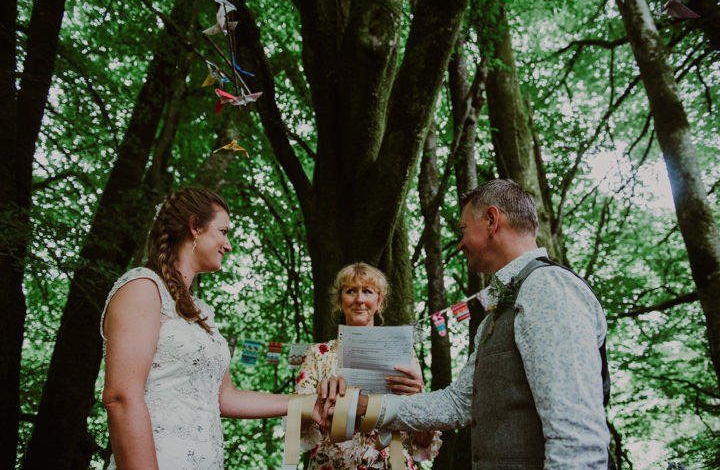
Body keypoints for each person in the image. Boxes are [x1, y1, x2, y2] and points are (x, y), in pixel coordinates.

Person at [319, 179, 611, 469]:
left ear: (491, 220)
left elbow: (577, 436)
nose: (460, 242)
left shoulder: (548, 288)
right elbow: (457, 403)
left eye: (463, 229)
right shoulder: (495, 317)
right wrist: (365, 407)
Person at [101, 187, 321, 470]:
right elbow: (121, 397)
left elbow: (226, 397)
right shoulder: (142, 288)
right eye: (223, 231)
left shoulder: (201, 312)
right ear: (194, 227)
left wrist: (307, 404)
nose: (228, 246)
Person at [295, 262, 441, 470]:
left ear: (379, 301)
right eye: (351, 291)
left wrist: (417, 401)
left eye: (368, 291)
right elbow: (296, 427)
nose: (360, 299)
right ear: (340, 301)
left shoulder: (403, 354)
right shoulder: (318, 355)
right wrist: (320, 400)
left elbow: (423, 441)